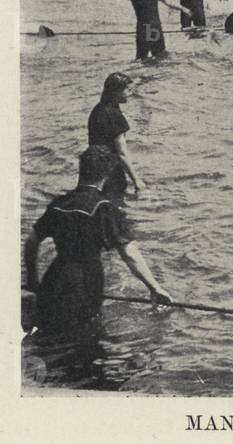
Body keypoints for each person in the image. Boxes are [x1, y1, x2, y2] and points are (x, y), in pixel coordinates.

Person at [23, 145, 172, 334]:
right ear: (106, 175)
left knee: (52, 339)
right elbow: (129, 254)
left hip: (52, 281)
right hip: (85, 285)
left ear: (81, 170)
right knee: (86, 342)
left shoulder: (60, 203)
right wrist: (155, 288)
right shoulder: (103, 207)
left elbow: (32, 241)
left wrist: (32, 278)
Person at [87, 72, 144, 195]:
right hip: (112, 172)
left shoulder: (97, 109)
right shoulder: (114, 115)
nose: (130, 93)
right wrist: (137, 180)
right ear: (116, 92)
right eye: (127, 90)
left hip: (93, 171)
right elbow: (121, 154)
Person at [123, 0, 189, 60]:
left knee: (160, 56)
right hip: (144, 29)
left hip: (156, 28)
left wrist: (183, 9)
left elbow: (168, 2)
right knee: (142, 58)